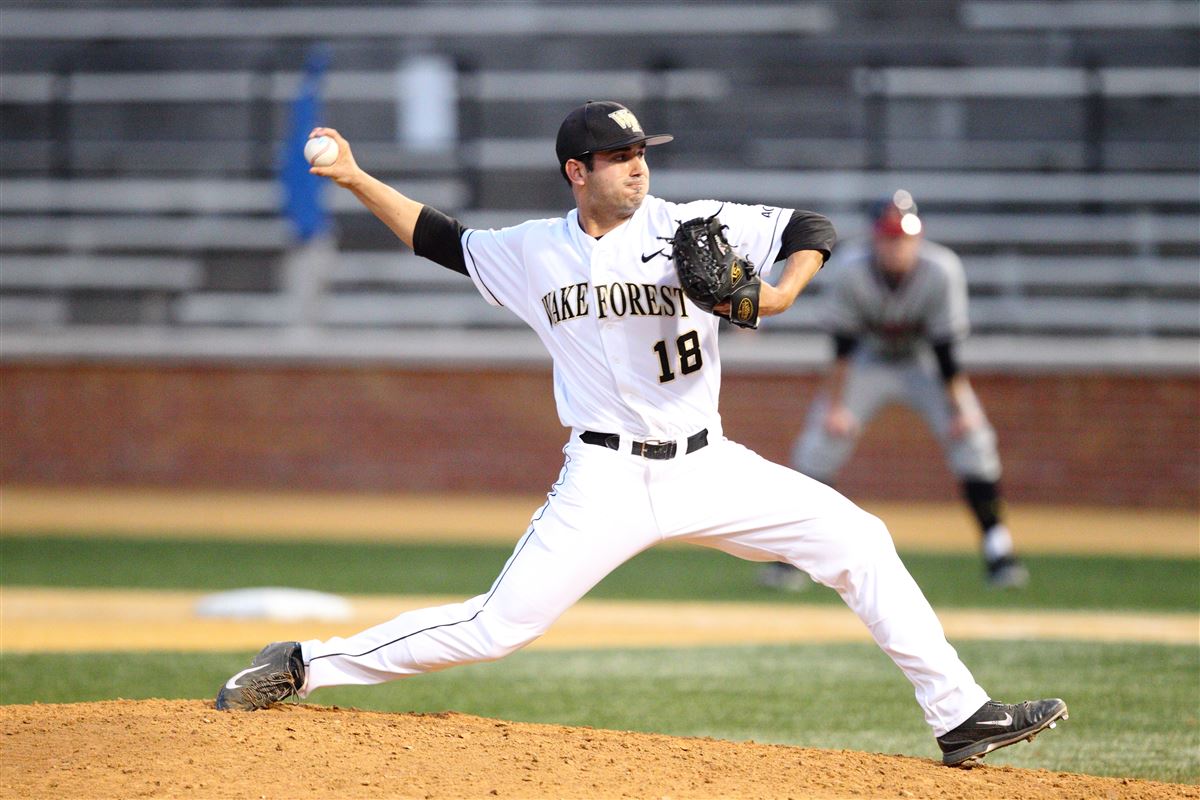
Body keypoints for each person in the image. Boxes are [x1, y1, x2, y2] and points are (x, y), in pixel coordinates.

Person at [215, 101, 1066, 767]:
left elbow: (813, 229)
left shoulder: (689, 226)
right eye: (621, 158)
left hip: (710, 464)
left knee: (860, 541)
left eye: (642, 153)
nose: (638, 168)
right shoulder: (533, 251)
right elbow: (440, 238)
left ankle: (960, 715)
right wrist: (358, 176)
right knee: (497, 628)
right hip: (604, 480)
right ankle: (302, 663)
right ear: (575, 171)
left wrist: (777, 294)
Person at [760, 191, 1029, 593]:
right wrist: (836, 407)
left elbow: (946, 352)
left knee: (974, 439)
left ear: (918, 237)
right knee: (819, 443)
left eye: (904, 237)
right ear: (874, 238)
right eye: (889, 237)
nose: (897, 246)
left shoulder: (941, 270)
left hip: (923, 363)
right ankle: (792, 558)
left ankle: (998, 550)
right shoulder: (851, 269)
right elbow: (842, 350)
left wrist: (960, 410)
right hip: (868, 361)